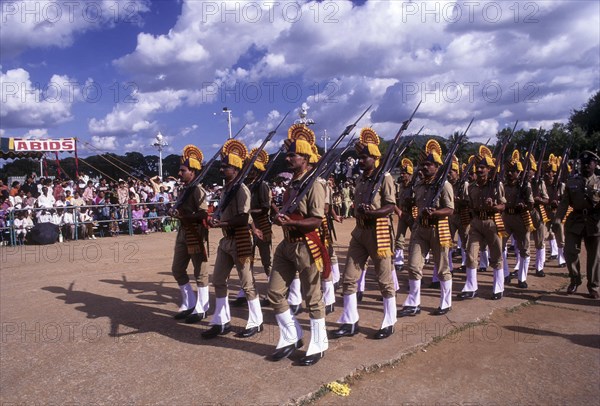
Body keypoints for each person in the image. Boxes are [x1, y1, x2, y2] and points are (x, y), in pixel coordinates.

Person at [267, 124, 329, 365]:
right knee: (274, 292)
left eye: (293, 155)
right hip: (287, 244)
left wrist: (292, 222)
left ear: (305, 158)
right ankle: (292, 334)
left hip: (306, 244)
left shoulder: (314, 184)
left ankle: (319, 342)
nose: (288, 158)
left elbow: (316, 219)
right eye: (289, 154)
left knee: (312, 297)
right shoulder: (293, 183)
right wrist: (280, 217)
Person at [333, 128, 397, 339]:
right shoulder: (361, 180)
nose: (360, 160)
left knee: (384, 280)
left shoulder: (385, 178)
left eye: (364, 157)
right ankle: (350, 321)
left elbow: (390, 206)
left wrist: (374, 212)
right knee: (349, 278)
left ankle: (389, 321)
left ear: (375, 158)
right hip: (360, 231)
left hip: (379, 232)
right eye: (359, 157)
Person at [203, 139, 263, 339]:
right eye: (221, 166)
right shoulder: (227, 189)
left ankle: (256, 321)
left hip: (240, 239)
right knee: (219, 280)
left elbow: (244, 217)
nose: (222, 169)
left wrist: (223, 223)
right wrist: (217, 220)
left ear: (236, 168)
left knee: (246, 283)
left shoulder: (241, 189)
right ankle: (222, 321)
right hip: (226, 240)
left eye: (226, 166)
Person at [398, 140, 454, 317]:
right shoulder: (420, 184)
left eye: (429, 164)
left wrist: (435, 212)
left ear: (437, 166)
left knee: (442, 268)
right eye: (423, 164)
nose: (425, 167)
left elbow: (450, 209)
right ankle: (414, 303)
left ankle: (446, 303)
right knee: (413, 266)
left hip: (438, 229)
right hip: (420, 229)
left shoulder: (444, 185)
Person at [170, 145, 211, 324]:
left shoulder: (197, 190)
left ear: (192, 172)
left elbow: (203, 213)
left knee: (200, 273)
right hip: (183, 232)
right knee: (177, 269)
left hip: (195, 233)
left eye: (183, 170)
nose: (179, 173)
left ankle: (203, 307)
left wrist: (184, 216)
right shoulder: (185, 189)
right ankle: (189, 302)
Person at [458, 147, 506, 300]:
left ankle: (498, 287)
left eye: (482, 168)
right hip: (477, 222)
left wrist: (494, 206)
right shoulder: (471, 187)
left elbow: (503, 205)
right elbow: (470, 205)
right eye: (477, 167)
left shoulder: (496, 186)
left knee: (496, 255)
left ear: (489, 169)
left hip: (492, 222)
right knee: (471, 254)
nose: (479, 170)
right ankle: (471, 287)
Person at [231, 148, 273, 307]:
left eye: (251, 169)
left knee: (267, 261)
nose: (248, 172)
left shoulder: (262, 185)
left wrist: (247, 212)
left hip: (261, 226)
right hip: (248, 226)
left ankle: (271, 291)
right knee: (247, 261)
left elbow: (265, 208)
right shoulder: (244, 185)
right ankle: (246, 291)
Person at [556, 150, 600, 298]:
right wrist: (557, 219)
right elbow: (564, 203)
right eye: (584, 163)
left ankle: (593, 286)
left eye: (590, 163)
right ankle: (575, 280)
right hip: (576, 220)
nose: (587, 165)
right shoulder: (572, 181)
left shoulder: (599, 182)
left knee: (595, 256)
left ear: (595, 164)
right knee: (570, 252)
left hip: (595, 222)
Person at [502, 150, 534, 289]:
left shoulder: (525, 186)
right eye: (508, 170)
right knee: (500, 246)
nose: (510, 173)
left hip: (520, 218)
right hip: (506, 217)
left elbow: (531, 203)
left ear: (519, 172)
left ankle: (522, 278)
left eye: (513, 171)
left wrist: (524, 205)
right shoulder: (503, 184)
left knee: (524, 249)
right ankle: (505, 273)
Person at [526, 153, 550, 277]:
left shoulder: (539, 182)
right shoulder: (522, 183)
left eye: (529, 169)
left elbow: (547, 199)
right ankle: (520, 269)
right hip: (524, 214)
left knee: (540, 242)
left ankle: (539, 267)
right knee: (523, 243)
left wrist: (537, 199)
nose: (527, 171)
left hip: (537, 214)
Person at [544, 154, 567, 267]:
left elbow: (565, 199)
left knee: (560, 237)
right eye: (547, 172)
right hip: (546, 213)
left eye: (550, 172)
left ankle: (561, 259)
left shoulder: (560, 185)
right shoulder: (543, 184)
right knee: (544, 236)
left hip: (557, 213)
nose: (548, 174)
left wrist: (558, 203)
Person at [393, 158, 415, 272]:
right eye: (401, 172)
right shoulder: (401, 186)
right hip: (403, 214)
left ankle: (417, 258)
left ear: (410, 174)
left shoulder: (415, 186)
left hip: (412, 215)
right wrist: (399, 210)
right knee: (399, 238)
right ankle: (399, 260)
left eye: (404, 173)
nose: (402, 175)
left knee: (415, 238)